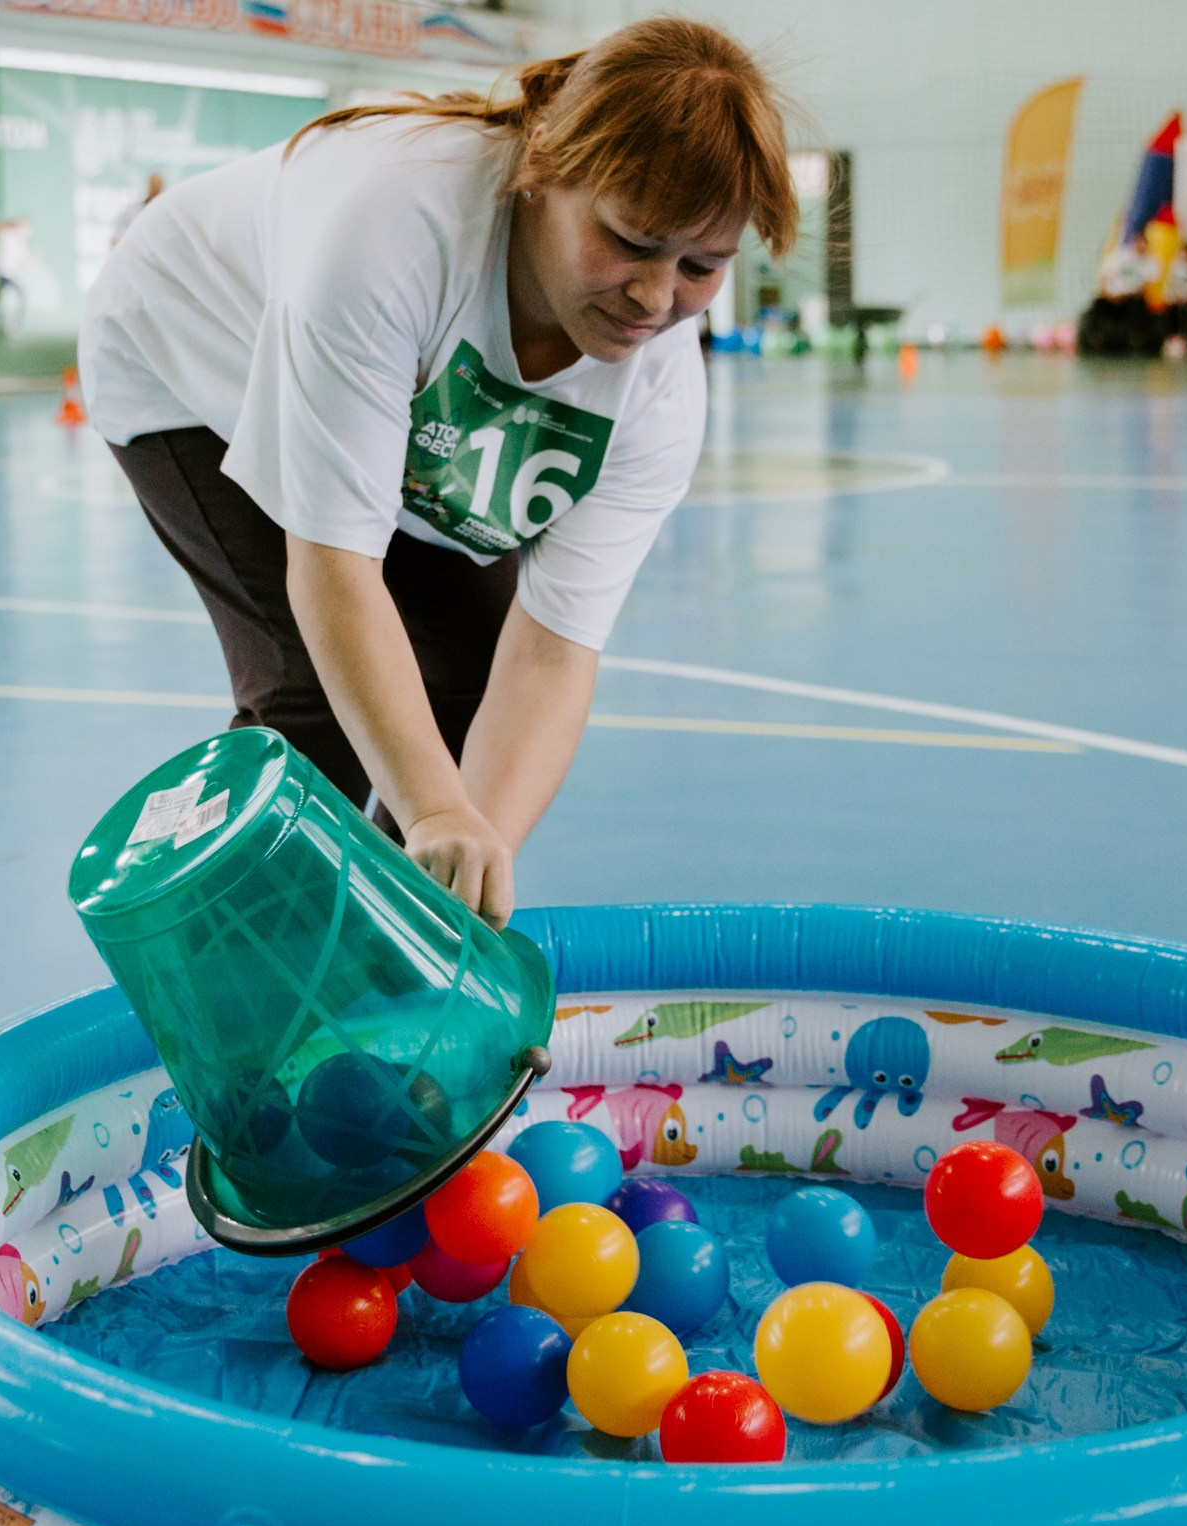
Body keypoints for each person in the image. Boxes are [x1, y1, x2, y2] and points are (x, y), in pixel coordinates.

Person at [78, 19, 794, 927]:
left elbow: (549, 653)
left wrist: (457, 875)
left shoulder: (659, 393)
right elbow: (335, 571)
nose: (655, 298)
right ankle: (237, 984)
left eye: (702, 266)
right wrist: (433, 812)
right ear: (542, 164)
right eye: (629, 240)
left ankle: (370, 985)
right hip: (188, 358)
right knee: (317, 703)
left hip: (408, 410)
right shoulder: (395, 229)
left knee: (461, 695)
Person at [1088, 233, 1156, 353]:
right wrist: (1108, 294)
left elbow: (1144, 289)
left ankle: (1134, 338)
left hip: (1132, 298)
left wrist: (1125, 294)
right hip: (1113, 296)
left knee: (1137, 304)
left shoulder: (1150, 262)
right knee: (1098, 304)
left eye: (1143, 242)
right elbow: (1104, 278)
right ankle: (1095, 336)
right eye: (1138, 242)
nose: (1140, 245)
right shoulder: (1119, 257)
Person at [1160, 242, 1187, 357]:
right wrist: (1175, 295)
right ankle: (1171, 338)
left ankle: (1183, 339)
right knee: (1171, 308)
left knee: (1186, 309)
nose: (1185, 257)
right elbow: (1170, 285)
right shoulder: (1175, 267)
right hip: (1176, 298)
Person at [110, 172, 166, 252]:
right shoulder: (133, 210)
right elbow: (116, 238)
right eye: (154, 184)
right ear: (149, 186)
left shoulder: (165, 214)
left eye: (158, 185)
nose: (156, 188)